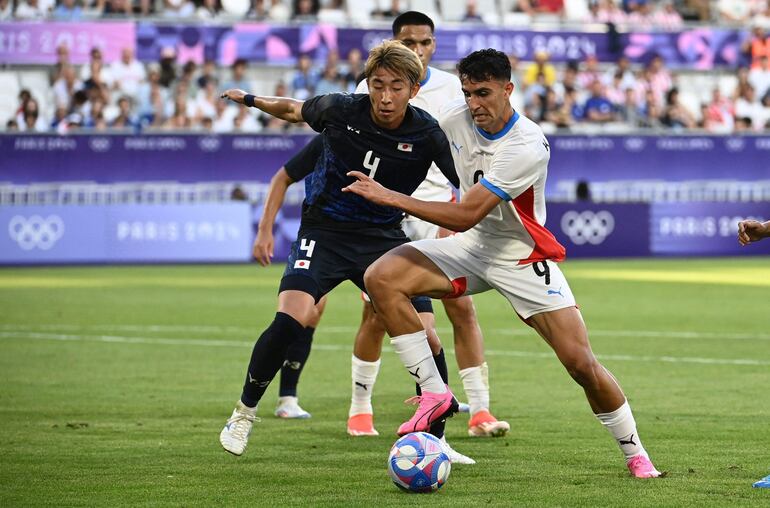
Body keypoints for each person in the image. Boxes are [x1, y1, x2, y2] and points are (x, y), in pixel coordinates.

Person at [343, 48, 663, 479]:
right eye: (467, 92)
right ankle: (436, 393)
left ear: (508, 89)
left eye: (483, 93)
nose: (474, 103)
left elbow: (465, 213)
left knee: (580, 363)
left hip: (519, 254)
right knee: (381, 277)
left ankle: (635, 452)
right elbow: (401, 120)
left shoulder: (527, 144)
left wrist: (389, 195)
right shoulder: (455, 118)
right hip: (472, 246)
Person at [217, 40, 461, 457]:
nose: (385, 96)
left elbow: (468, 183)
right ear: (367, 84)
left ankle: (437, 440)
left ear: (414, 90)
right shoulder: (340, 110)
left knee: (430, 337)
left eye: (397, 87)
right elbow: (292, 109)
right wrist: (252, 99)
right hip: (324, 231)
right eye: (378, 85)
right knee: (292, 318)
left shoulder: (427, 134)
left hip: (384, 237)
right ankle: (244, 412)